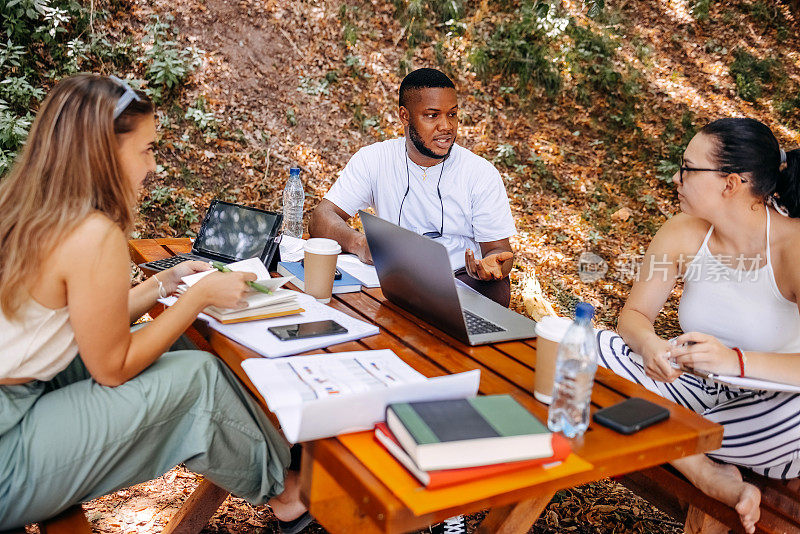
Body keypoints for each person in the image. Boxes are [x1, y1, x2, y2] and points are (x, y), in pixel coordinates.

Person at [0, 74, 310, 533]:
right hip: (9, 447)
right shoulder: (91, 234)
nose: (153, 167)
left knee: (183, 345)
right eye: (146, 150)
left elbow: (77, 324)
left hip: (21, 395)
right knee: (197, 380)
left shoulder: (28, 205)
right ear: (105, 152)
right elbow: (113, 366)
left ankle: (284, 454)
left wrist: (166, 282)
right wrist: (200, 296)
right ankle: (287, 492)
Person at [597, 118, 800, 533]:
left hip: (768, 408)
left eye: (688, 168)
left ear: (731, 183)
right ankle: (704, 472)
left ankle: (663, 428)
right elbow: (633, 317)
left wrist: (733, 361)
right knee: (578, 344)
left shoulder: (793, 248)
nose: (677, 177)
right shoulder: (681, 233)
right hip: (689, 387)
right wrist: (651, 346)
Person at [309, 68, 516, 307]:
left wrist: (490, 266)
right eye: (432, 115)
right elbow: (320, 218)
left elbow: (500, 251)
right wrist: (360, 244)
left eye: (452, 114)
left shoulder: (480, 173)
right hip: (394, 284)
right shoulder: (375, 159)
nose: (446, 126)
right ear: (404, 116)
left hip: (462, 283)